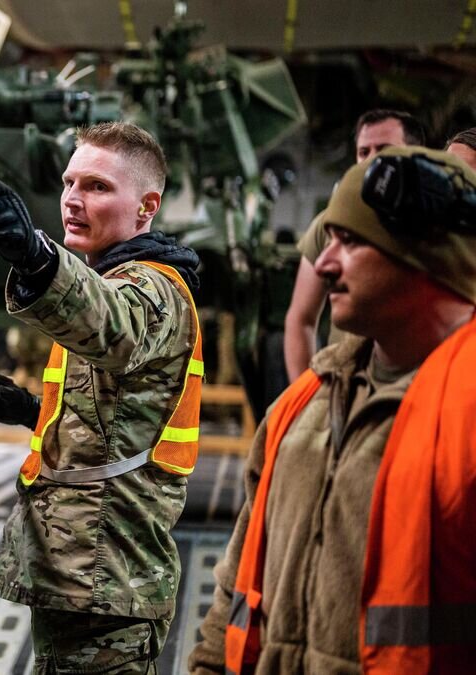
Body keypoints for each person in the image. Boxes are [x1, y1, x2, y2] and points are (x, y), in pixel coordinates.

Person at [189, 146, 476, 674]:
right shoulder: (305, 406)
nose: (322, 263)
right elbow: (235, 583)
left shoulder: (464, 419)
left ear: (422, 258)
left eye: (350, 240)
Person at [0, 122, 202, 673]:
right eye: (69, 183)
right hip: (82, 574)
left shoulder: (155, 287)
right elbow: (117, 416)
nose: (72, 200)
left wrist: (36, 256)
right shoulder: (108, 278)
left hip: (108, 576)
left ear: (146, 207)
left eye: (98, 187)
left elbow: (113, 325)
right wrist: (28, 410)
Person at [283, 110, 426, 381]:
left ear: (417, 155)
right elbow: (300, 318)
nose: (370, 160)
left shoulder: (431, 226)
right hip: (345, 384)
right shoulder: (329, 223)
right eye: (363, 152)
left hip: (413, 383)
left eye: (384, 150)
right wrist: (305, 396)